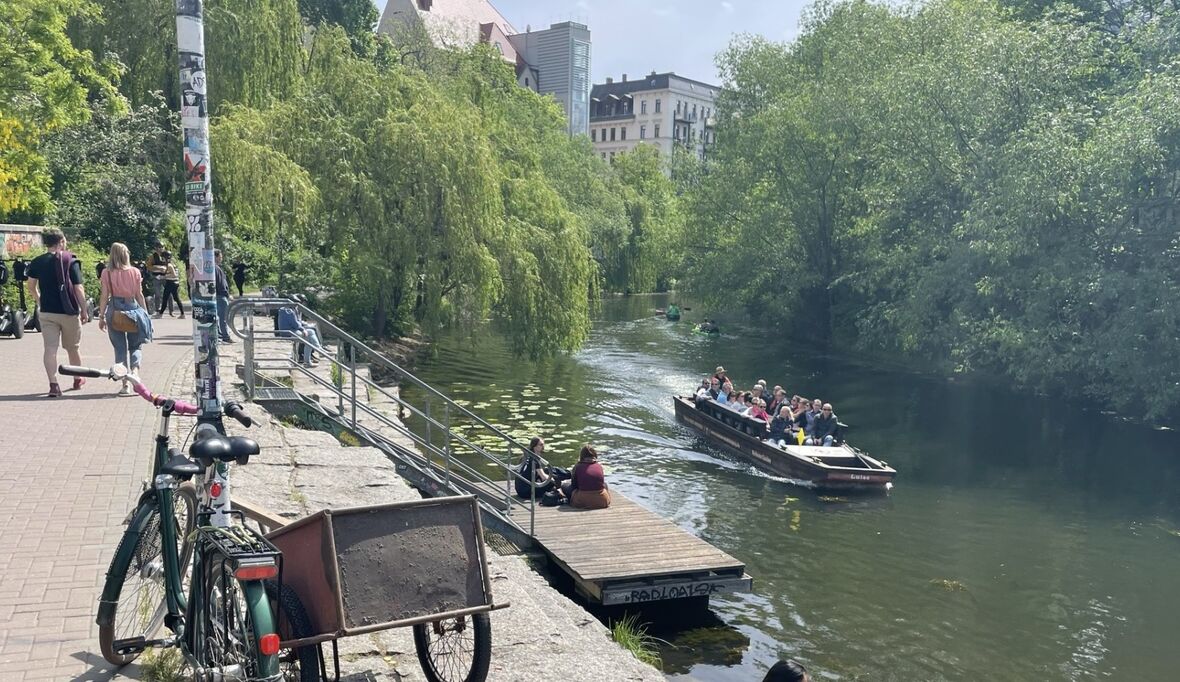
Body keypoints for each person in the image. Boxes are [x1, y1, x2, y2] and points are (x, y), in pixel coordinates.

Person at [25, 228, 89, 397]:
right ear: (61, 241)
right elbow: (78, 288)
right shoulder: (70, 260)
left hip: (47, 313)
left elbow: (31, 286)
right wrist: (84, 309)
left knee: (50, 348)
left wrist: (39, 301)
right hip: (68, 312)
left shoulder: (37, 261)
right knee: (72, 348)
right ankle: (77, 378)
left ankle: (53, 385)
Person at [99, 243, 153, 396]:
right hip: (133, 310)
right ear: (126, 255)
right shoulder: (135, 272)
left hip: (114, 310)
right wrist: (145, 314)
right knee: (135, 346)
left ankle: (125, 385)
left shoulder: (106, 273)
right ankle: (135, 373)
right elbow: (139, 295)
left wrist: (102, 316)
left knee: (119, 349)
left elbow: (104, 296)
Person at [515, 437, 570, 501]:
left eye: (543, 444)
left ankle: (566, 475)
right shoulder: (534, 460)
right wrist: (556, 481)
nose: (543, 447)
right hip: (526, 492)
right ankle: (561, 492)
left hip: (519, 489)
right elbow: (544, 477)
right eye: (541, 445)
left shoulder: (525, 456)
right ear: (534, 446)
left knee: (547, 470)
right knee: (552, 481)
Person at [566, 445, 611, 509]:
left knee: (565, 487)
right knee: (605, 484)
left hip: (582, 501)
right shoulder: (599, 466)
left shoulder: (578, 466)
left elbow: (574, 485)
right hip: (602, 501)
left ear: (582, 456)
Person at [157, 252, 184, 318]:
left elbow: (173, 274)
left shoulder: (169, 265)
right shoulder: (172, 264)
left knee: (165, 298)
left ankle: (160, 314)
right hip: (174, 283)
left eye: (162, 258)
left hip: (171, 283)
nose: (162, 259)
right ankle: (182, 314)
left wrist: (163, 276)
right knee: (175, 298)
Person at [214, 250, 232, 342]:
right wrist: (227, 294)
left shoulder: (215, 268)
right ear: (216, 257)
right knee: (224, 317)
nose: (221, 259)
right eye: (220, 257)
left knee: (219, 317)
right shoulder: (216, 269)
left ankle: (220, 335)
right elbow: (221, 284)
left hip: (218, 295)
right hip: (221, 296)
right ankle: (225, 336)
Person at [145, 241, 167, 313]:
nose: (161, 249)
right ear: (156, 248)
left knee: (169, 294)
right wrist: (157, 268)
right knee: (157, 294)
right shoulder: (152, 257)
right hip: (156, 277)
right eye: (159, 247)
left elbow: (171, 265)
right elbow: (148, 266)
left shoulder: (167, 255)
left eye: (162, 247)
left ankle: (171, 311)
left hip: (165, 277)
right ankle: (158, 309)